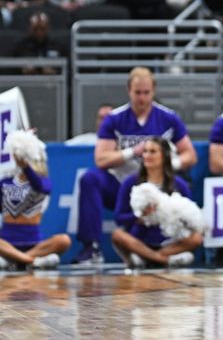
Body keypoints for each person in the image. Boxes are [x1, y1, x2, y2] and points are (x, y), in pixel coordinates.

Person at [73, 67, 198, 264]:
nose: (142, 98)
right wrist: (131, 152)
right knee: (90, 179)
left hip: (160, 187)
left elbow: (190, 155)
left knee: (182, 195)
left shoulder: (168, 117)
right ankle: (91, 248)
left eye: (146, 92)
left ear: (154, 90)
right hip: (125, 183)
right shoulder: (114, 119)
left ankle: (161, 251)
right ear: (128, 90)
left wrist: (166, 164)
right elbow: (101, 159)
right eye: (137, 92)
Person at [111, 137, 201, 268]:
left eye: (153, 151)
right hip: (140, 240)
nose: (147, 155)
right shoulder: (131, 182)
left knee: (197, 238)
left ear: (164, 156)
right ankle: (163, 260)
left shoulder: (179, 185)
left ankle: (147, 258)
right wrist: (139, 217)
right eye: (145, 151)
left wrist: (170, 215)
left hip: (169, 241)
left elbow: (190, 215)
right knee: (117, 235)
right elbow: (119, 217)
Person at [0, 130, 71, 270]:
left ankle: (17, 261)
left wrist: (26, 167)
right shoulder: (5, 182)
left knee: (63, 240)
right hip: (7, 243)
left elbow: (40, 186)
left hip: (34, 243)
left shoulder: (43, 183)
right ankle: (29, 261)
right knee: (53, 258)